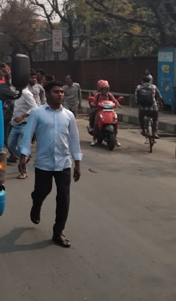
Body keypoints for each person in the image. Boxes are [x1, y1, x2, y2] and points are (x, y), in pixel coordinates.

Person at [19, 81, 82, 248]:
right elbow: (28, 136)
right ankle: (36, 204)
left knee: (64, 197)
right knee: (42, 191)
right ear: (47, 94)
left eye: (62, 92)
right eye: (56, 92)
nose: (60, 94)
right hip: (44, 163)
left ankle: (58, 232)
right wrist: (23, 156)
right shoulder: (37, 113)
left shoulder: (68, 115)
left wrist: (77, 163)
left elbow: (74, 140)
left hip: (63, 163)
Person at [8, 78, 39, 180]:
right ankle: (25, 157)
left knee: (21, 146)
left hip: (24, 124)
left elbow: (35, 107)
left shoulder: (27, 94)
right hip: (15, 124)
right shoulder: (17, 93)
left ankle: (23, 171)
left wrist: (22, 116)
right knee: (10, 145)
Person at [89, 80, 121, 146]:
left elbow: (114, 100)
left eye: (106, 89)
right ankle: (94, 139)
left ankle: (115, 138)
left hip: (109, 111)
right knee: (96, 123)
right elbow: (93, 101)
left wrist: (118, 104)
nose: (105, 90)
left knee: (115, 121)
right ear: (100, 89)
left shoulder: (109, 95)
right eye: (103, 89)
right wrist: (93, 104)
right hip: (99, 110)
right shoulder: (97, 95)